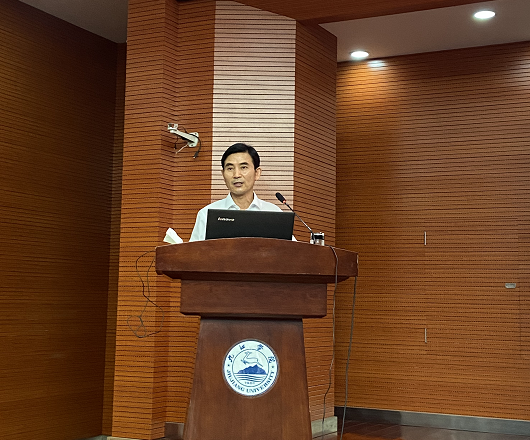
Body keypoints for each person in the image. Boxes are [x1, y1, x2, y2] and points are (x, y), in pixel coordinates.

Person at [189, 143, 282, 242]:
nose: (236, 175)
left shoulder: (274, 213)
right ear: (223, 175)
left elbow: (289, 249)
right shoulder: (206, 214)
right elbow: (194, 250)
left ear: (257, 173)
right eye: (230, 168)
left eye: (243, 167)